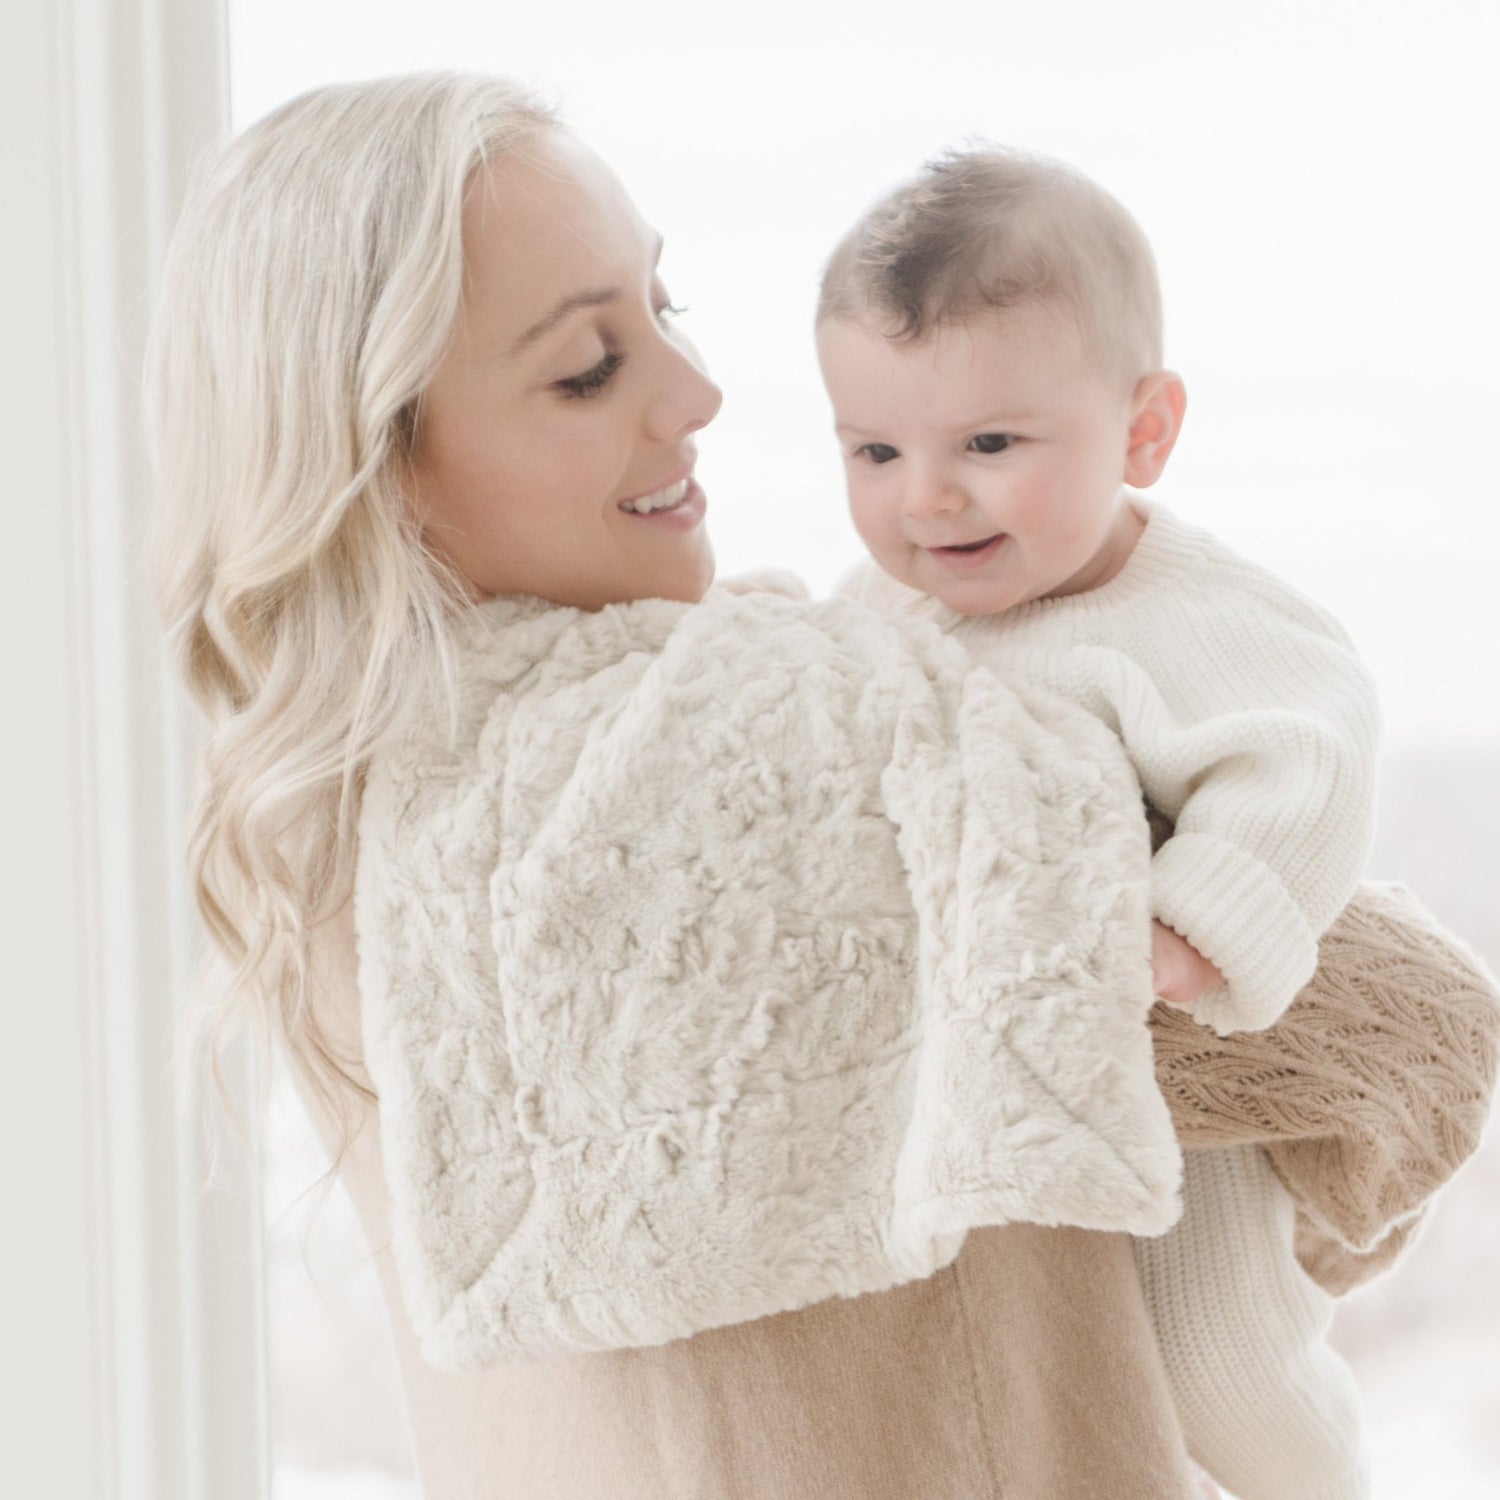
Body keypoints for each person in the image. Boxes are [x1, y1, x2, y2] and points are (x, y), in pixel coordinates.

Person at [143, 74, 1499, 1500]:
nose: (701, 391)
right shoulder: (741, 763)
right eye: (588, 366)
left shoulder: (331, 802)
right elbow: (1409, 1031)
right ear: (375, 465)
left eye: (664, 309)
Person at [815, 145, 1382, 1498]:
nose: (925, 498)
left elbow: (1306, 759)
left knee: (1214, 1362)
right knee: (1044, 1395)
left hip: (1165, 1092)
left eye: (989, 446)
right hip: (972, 1105)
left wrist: (1187, 928)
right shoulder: (880, 606)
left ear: (1143, 432)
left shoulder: (1197, 619)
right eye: (873, 450)